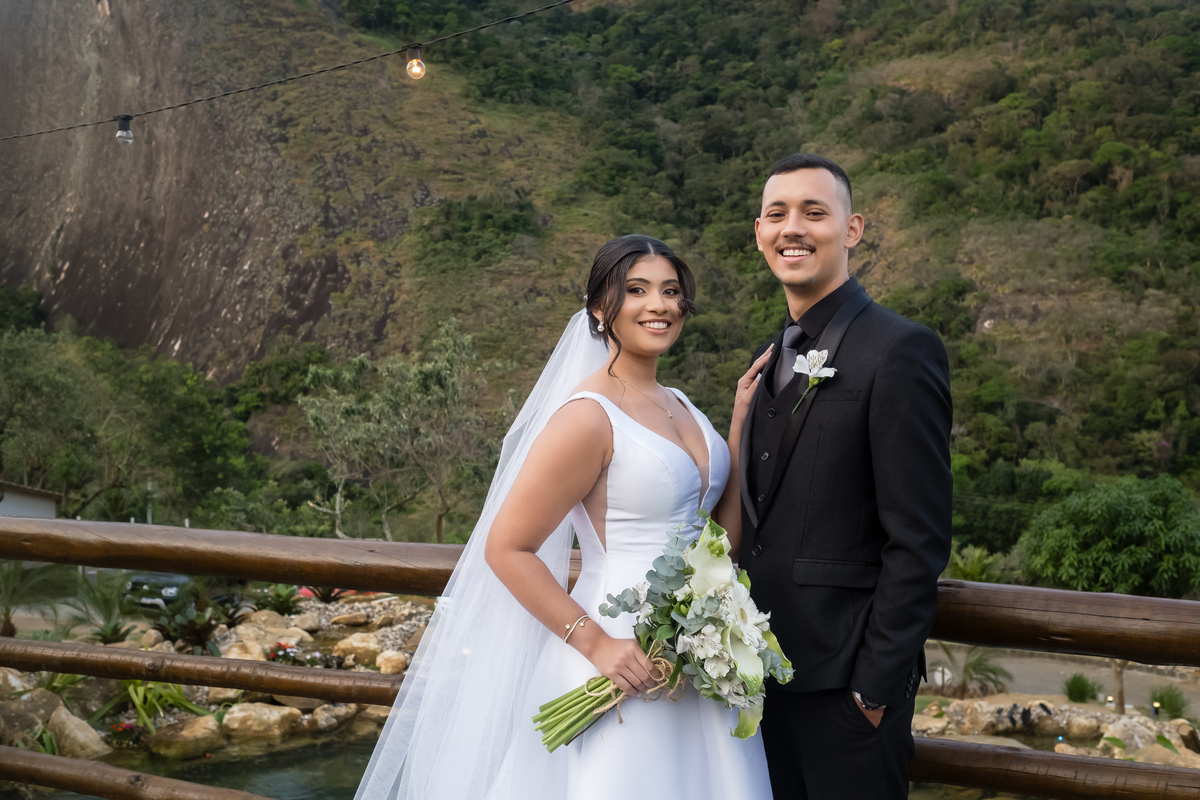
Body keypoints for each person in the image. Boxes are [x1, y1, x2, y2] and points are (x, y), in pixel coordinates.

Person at [355, 234, 773, 800]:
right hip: (618, 650)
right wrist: (597, 643)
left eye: (671, 292)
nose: (661, 305)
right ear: (601, 308)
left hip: (696, 654)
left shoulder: (681, 403)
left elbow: (718, 540)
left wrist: (739, 427)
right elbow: (507, 547)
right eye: (637, 291)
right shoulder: (587, 417)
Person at [735, 153, 953, 799]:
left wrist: (874, 691)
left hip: (847, 696)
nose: (791, 228)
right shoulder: (766, 360)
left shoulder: (901, 349)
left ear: (852, 229)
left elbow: (918, 540)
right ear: (758, 233)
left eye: (813, 212)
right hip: (758, 687)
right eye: (777, 214)